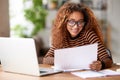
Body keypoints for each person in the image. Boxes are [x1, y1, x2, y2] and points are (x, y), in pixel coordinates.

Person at [43, 2, 113, 71]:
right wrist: (62, 60)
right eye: (71, 22)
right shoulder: (62, 37)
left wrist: (102, 64)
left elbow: (108, 60)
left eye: (80, 22)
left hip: (88, 75)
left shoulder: (88, 34)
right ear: (64, 22)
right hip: (68, 76)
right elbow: (46, 59)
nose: (76, 26)